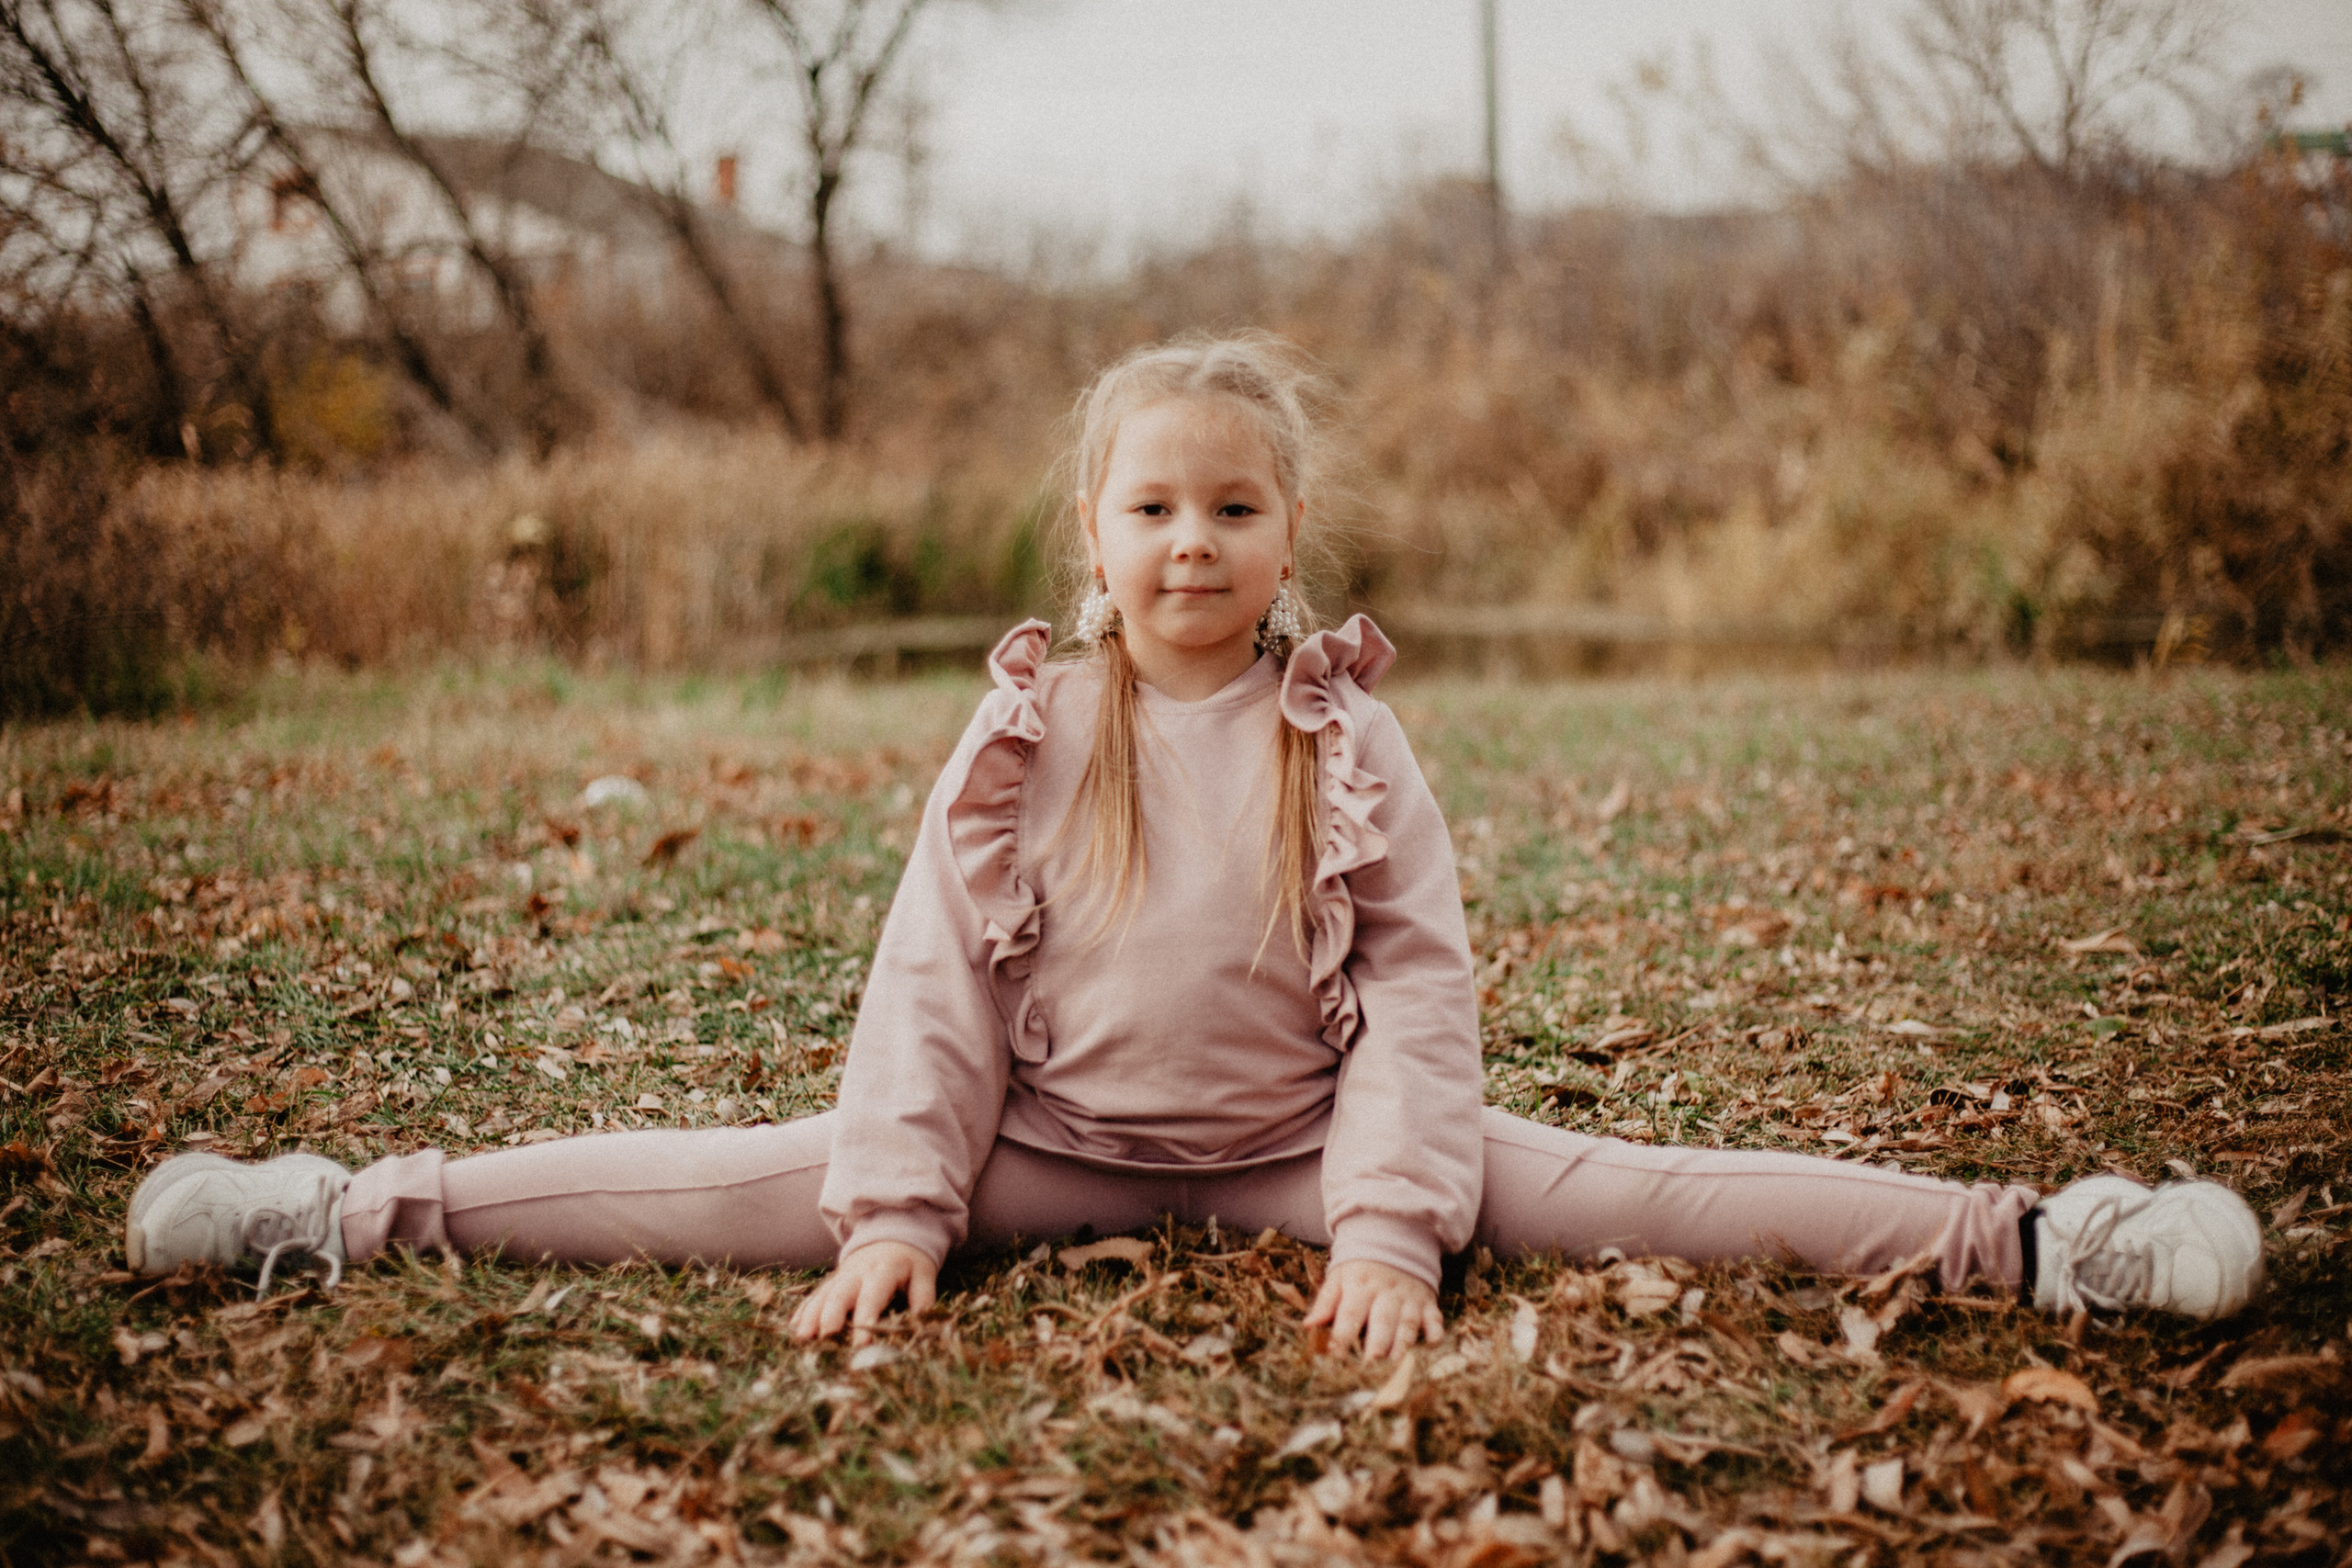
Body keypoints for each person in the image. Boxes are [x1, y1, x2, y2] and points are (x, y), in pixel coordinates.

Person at [125, 335, 2265, 1355]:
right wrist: (896, 1201)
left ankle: (2045, 1234)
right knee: (705, 1182)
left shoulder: (1347, 726)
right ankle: (332, 1209)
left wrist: (1387, 1228)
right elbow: (930, 984)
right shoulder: (1029, 720)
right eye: (1149, 506)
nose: (1189, 541)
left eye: (1231, 506)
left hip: (1295, 1144)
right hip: (1041, 1135)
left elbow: (1420, 995)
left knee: (1640, 1191)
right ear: (1091, 534)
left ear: (1285, 532)